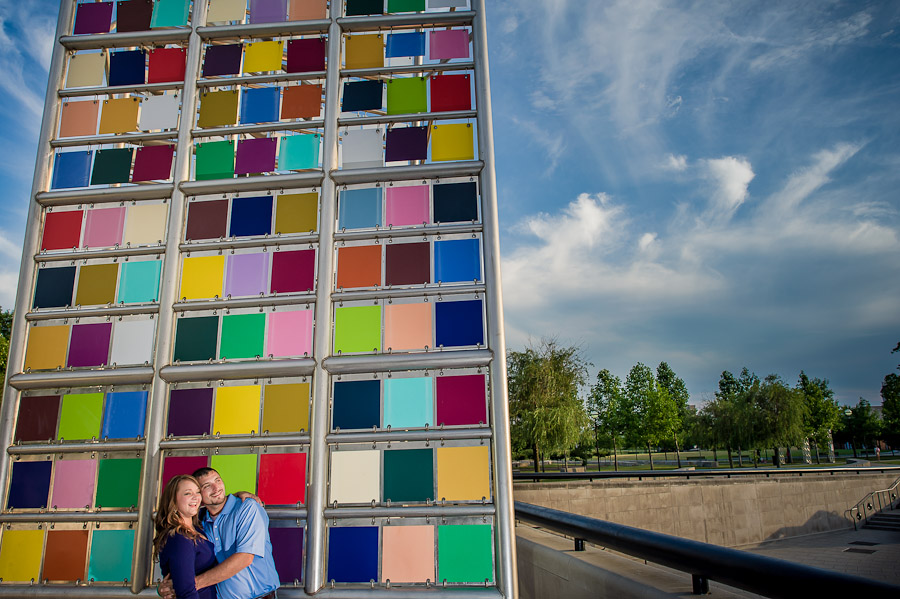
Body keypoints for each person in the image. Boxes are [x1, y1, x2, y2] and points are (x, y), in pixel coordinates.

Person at [159, 468, 280, 599]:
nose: (216, 488)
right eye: (207, 486)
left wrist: (188, 586)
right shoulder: (199, 523)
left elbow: (245, 558)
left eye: (217, 480)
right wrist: (166, 589)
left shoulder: (247, 508)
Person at [154, 475, 217, 599]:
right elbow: (186, 593)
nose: (196, 497)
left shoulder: (197, 529)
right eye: (188, 493)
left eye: (198, 492)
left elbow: (221, 504)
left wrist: (241, 495)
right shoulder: (179, 539)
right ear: (173, 500)